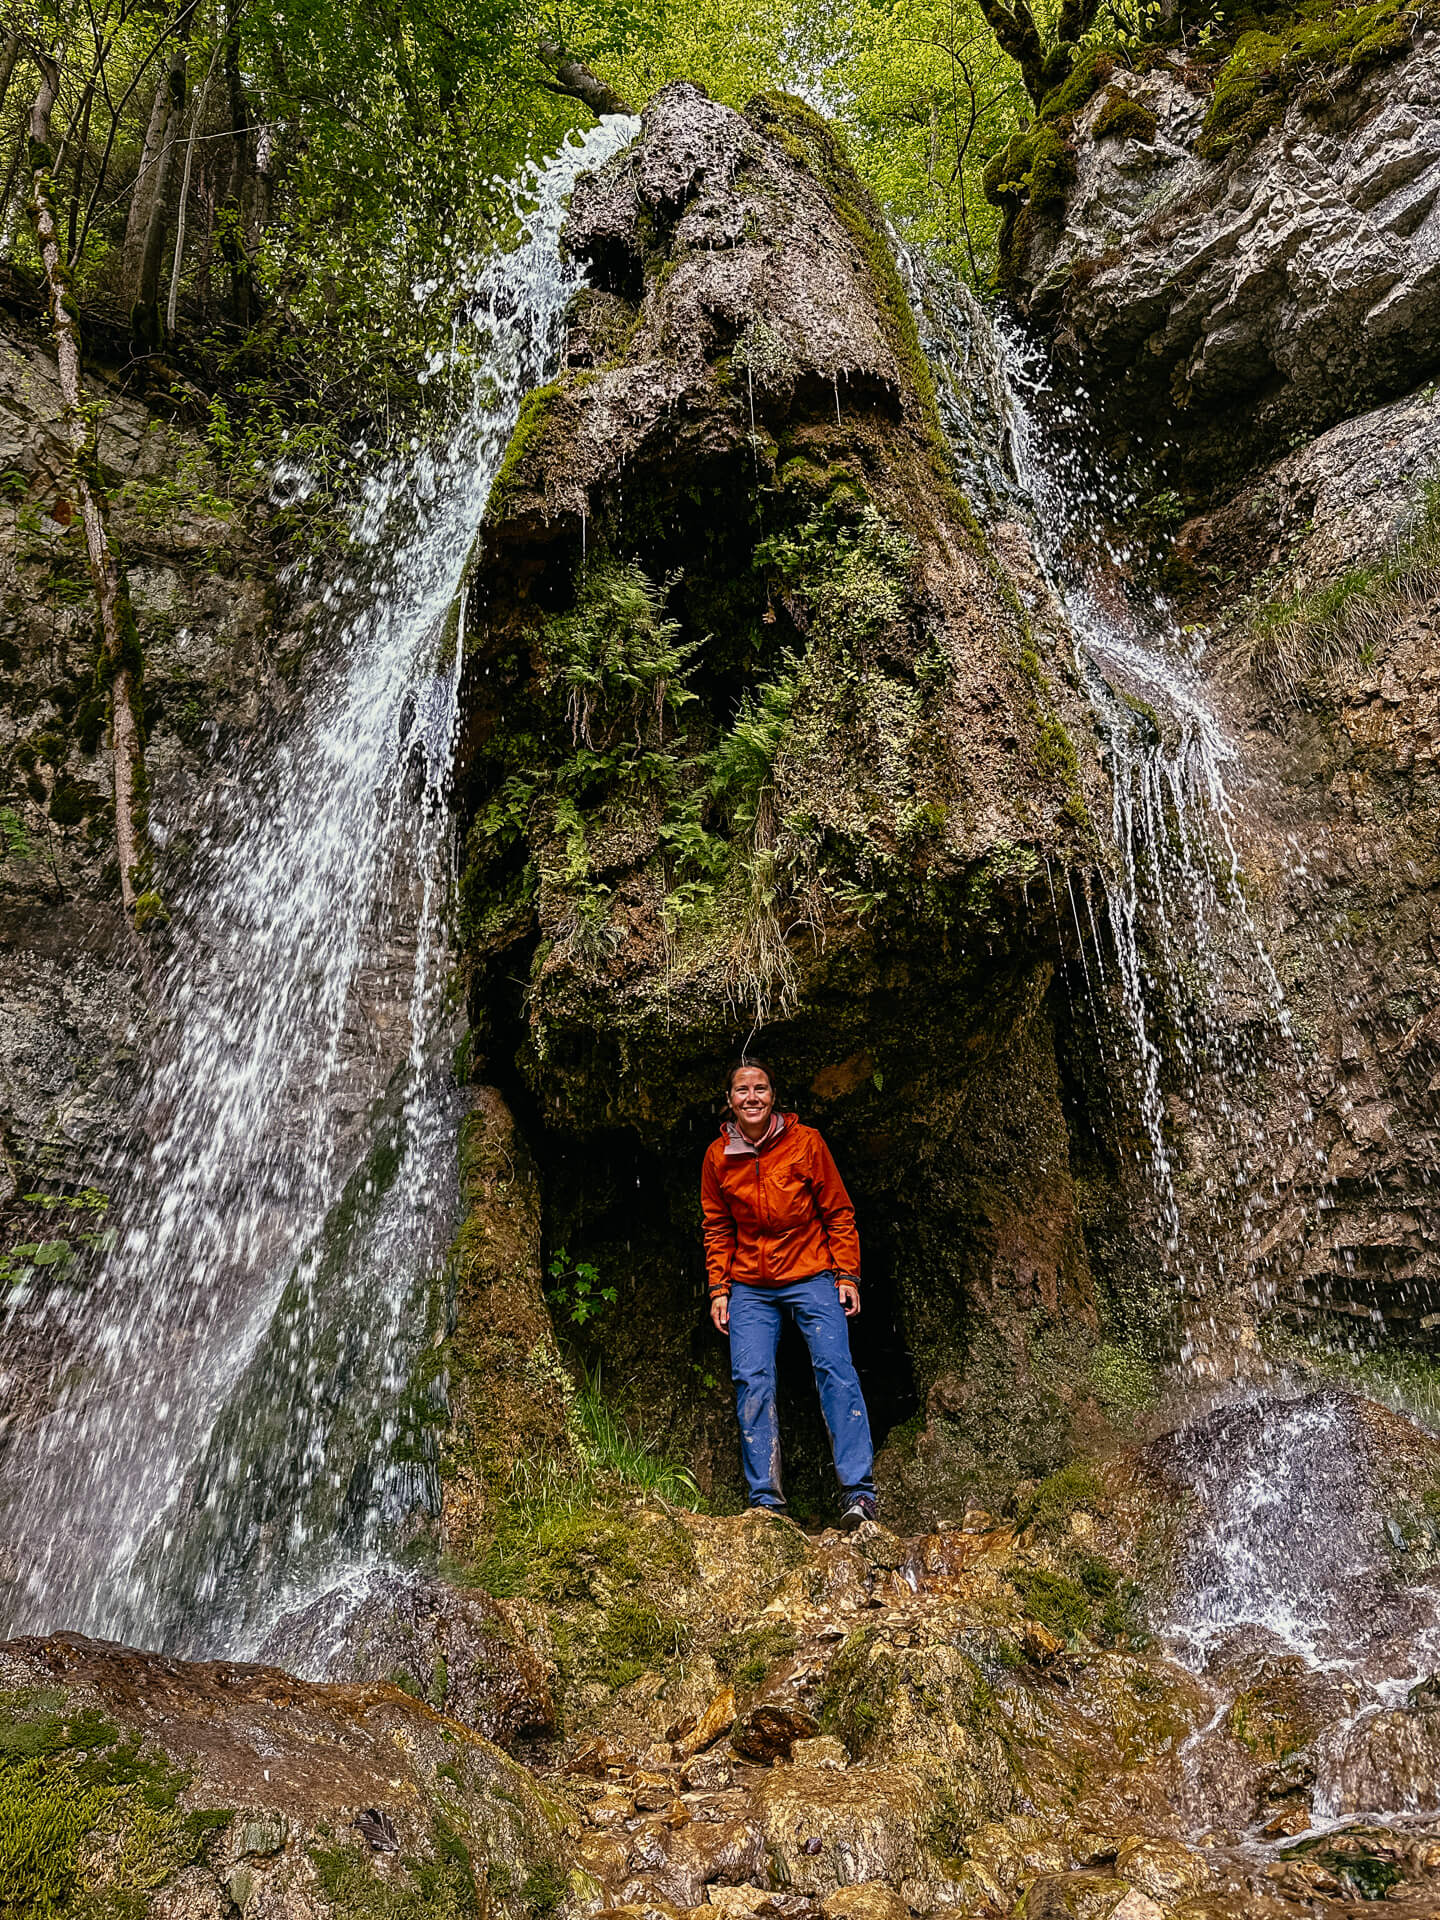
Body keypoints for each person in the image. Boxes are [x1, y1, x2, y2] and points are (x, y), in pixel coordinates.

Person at [700, 1056, 876, 1529]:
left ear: (773, 1096)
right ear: (729, 1101)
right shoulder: (719, 1157)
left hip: (811, 1274)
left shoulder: (806, 1143)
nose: (751, 1097)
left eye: (760, 1088)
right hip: (750, 1288)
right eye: (742, 1090)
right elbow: (717, 1226)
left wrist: (846, 1275)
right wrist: (719, 1288)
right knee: (751, 1379)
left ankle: (859, 1494)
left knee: (836, 1370)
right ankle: (767, 1503)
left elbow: (838, 1212)